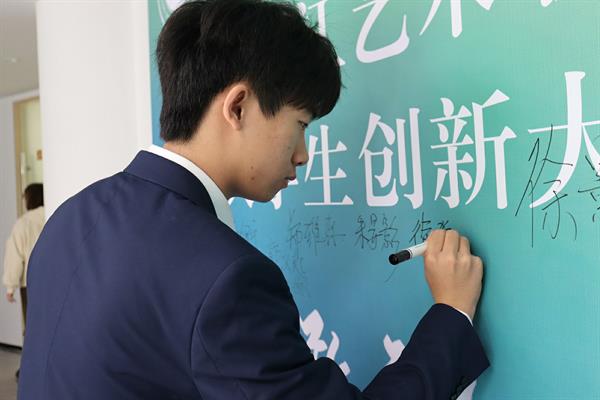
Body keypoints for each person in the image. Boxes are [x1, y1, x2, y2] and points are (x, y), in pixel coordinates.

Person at [18, 1, 488, 399]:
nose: (303, 154)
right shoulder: (225, 279)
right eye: (300, 125)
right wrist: (452, 313)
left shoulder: (70, 216)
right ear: (238, 106)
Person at [3, 183, 44, 380]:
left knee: (32, 326)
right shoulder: (53, 214)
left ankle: (30, 369)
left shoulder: (24, 223)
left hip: (30, 283)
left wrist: (10, 286)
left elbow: (14, 256)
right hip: (53, 277)